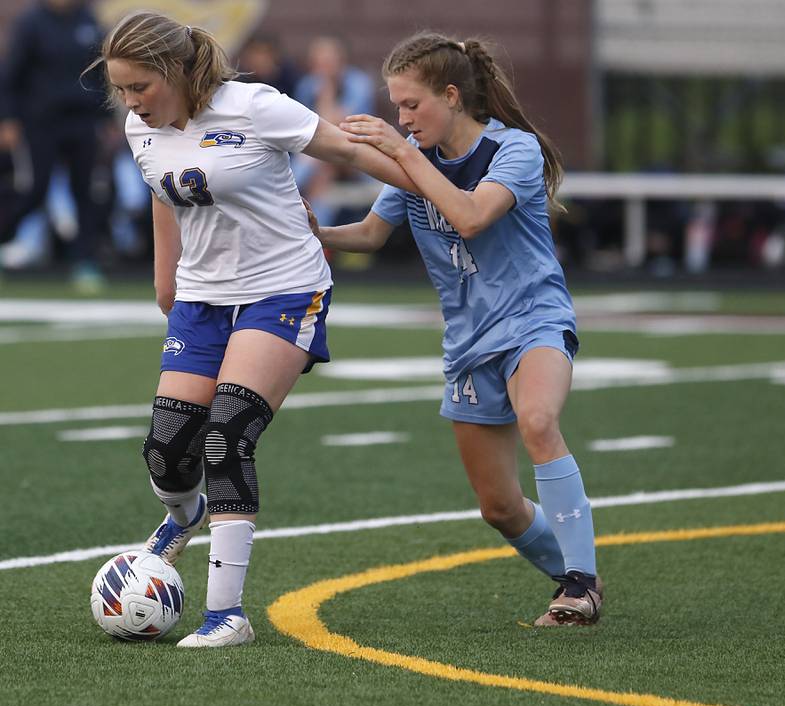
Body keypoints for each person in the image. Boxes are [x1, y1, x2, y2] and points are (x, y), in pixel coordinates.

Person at [87, 11, 417, 647]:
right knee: (165, 450)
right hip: (203, 299)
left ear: (177, 72)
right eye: (121, 90)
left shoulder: (255, 105)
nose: (130, 103)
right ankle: (185, 516)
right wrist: (167, 280)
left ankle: (226, 615)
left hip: (284, 289)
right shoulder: (140, 127)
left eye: (140, 88)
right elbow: (164, 194)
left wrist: (447, 190)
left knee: (228, 433)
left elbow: (349, 151)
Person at [307, 32, 602, 626]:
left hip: (532, 320)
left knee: (539, 421)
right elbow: (369, 235)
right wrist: (315, 234)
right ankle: (569, 573)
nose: (402, 118)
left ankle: (579, 587)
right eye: (395, 107)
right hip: (468, 343)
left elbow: (468, 217)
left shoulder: (511, 150)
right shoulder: (416, 162)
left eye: (412, 105)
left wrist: (402, 153)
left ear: (451, 95)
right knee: (499, 508)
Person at [0, 0, 112, 292]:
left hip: (83, 121)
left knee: (86, 192)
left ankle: (85, 262)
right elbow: (10, 75)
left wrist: (108, 116)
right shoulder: (31, 23)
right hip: (40, 122)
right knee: (32, 190)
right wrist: (8, 118)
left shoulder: (89, 21)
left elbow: (102, 73)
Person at [293, 36, 376, 229]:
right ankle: (321, 235)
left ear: (341, 61)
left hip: (359, 153)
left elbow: (338, 124)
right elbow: (300, 128)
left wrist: (326, 93)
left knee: (320, 159)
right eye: (318, 63)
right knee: (323, 171)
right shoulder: (306, 85)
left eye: (328, 62)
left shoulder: (359, 83)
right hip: (324, 160)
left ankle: (291, 188)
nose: (323, 68)